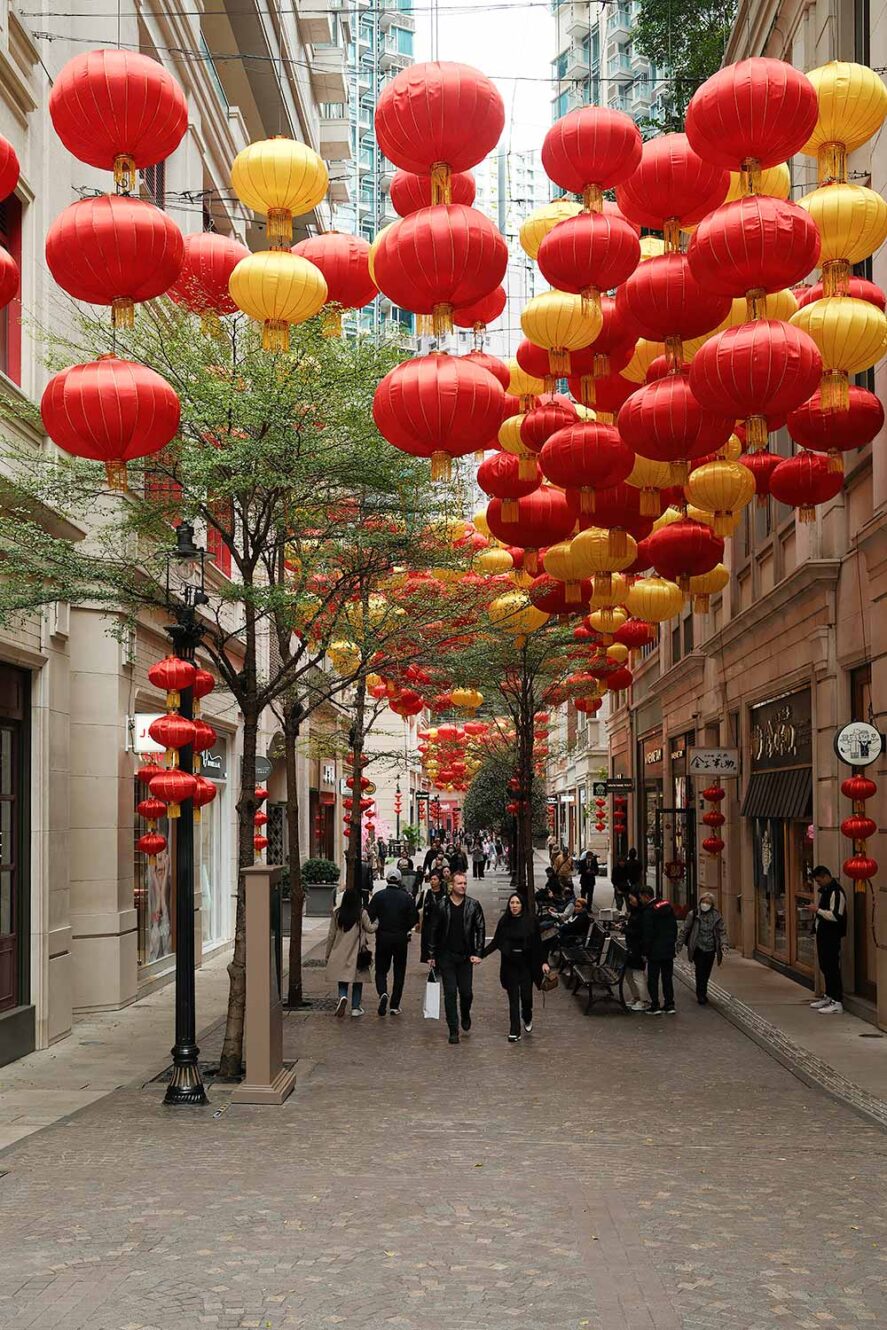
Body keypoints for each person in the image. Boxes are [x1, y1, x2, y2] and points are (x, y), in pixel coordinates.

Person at [427, 871, 485, 1044]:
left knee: (466, 993)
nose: (463, 886)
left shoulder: (473, 905)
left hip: (466, 956)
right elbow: (433, 930)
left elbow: (480, 929)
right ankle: (453, 1029)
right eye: (460, 883)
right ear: (452, 885)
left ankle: (465, 1013)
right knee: (450, 993)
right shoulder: (441, 905)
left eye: (465, 883)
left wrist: (478, 953)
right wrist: (431, 954)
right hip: (446, 956)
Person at [483, 893, 550, 1041]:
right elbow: (496, 942)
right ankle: (514, 1030)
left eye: (517, 903)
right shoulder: (504, 921)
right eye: (512, 903)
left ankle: (527, 1016)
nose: (514, 906)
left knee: (526, 997)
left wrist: (544, 962)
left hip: (526, 965)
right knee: (513, 998)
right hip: (510, 964)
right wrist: (481, 955)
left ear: (522, 905)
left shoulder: (531, 921)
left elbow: (538, 944)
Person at [367, 866, 418, 1015]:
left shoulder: (378, 896)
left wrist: (378, 924)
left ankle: (383, 992)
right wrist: (405, 928)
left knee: (381, 969)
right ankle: (394, 1005)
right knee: (399, 971)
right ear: (400, 880)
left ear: (387, 879)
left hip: (383, 938)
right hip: (400, 939)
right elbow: (413, 918)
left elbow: (370, 915)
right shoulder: (407, 897)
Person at [325, 886, 378, 1018]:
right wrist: (377, 922)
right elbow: (370, 929)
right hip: (356, 952)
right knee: (357, 979)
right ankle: (355, 1007)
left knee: (342, 977)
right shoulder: (361, 913)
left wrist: (328, 954)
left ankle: (342, 996)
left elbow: (331, 935)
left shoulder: (337, 914)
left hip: (339, 951)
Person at [810, 865, 847, 1014]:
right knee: (825, 966)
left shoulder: (836, 892)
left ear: (826, 876)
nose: (818, 884)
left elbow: (836, 916)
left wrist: (817, 910)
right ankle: (829, 995)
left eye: (819, 881)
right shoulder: (825, 891)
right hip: (823, 934)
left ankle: (837, 1001)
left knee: (832, 966)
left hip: (832, 935)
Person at [680, 892, 727, 1005]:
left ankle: (703, 990)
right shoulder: (693, 914)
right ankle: (701, 994)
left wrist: (724, 944)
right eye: (704, 902)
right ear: (700, 902)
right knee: (700, 971)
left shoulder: (716, 915)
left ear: (712, 905)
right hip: (698, 947)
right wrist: (679, 943)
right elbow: (685, 929)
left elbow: (722, 931)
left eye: (708, 903)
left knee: (706, 971)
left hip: (710, 948)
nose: (705, 904)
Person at [639, 886, 678, 1014]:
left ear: (646, 896)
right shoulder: (667, 906)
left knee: (653, 979)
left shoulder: (649, 911)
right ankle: (669, 1004)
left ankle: (655, 1005)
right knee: (667, 978)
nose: (640, 900)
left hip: (654, 951)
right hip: (668, 949)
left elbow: (648, 933)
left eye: (641, 898)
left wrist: (645, 952)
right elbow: (674, 927)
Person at [623, 890, 650, 1011]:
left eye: (632, 898)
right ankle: (636, 996)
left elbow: (640, 933)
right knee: (629, 973)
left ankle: (644, 1000)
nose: (630, 901)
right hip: (631, 947)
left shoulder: (643, 914)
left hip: (637, 948)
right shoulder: (635, 912)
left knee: (638, 974)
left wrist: (625, 930)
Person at [417, 872, 446, 962]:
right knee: (428, 946)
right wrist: (417, 922)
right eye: (431, 879)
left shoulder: (445, 895)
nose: (432, 881)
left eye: (435, 879)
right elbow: (418, 907)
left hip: (441, 926)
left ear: (440, 881)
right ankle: (432, 964)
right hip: (428, 925)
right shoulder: (426, 893)